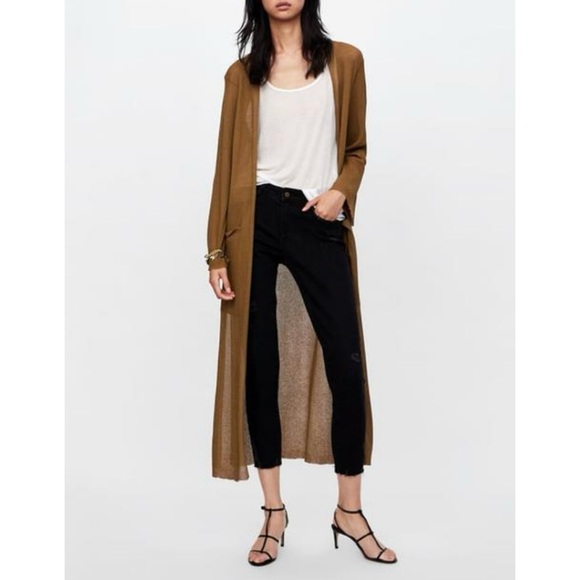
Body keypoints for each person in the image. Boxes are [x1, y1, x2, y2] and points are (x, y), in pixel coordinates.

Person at [205, 0, 398, 567]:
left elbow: (356, 149)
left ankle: (349, 510)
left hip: (318, 219)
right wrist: (216, 251)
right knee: (259, 364)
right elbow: (225, 166)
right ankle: (273, 511)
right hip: (254, 223)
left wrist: (341, 191)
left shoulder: (345, 61)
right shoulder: (242, 75)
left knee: (346, 364)